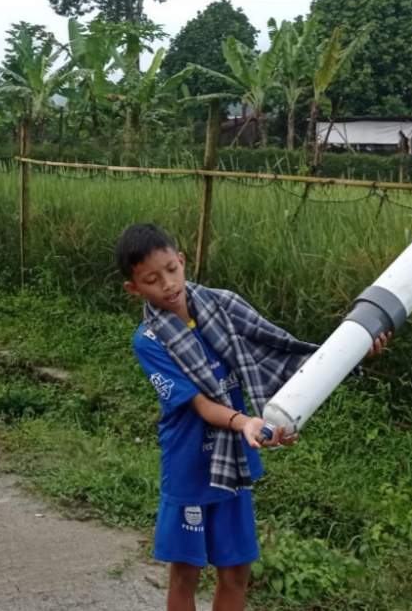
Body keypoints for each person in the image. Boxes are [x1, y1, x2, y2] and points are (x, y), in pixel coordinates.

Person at [116, 224, 387, 611]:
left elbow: (280, 352)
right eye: (151, 280)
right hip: (189, 466)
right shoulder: (149, 340)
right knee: (185, 574)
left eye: (171, 270)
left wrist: (354, 351)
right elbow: (200, 405)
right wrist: (245, 422)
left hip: (235, 463)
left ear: (181, 260)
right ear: (135, 289)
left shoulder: (224, 304)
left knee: (236, 572)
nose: (168, 284)